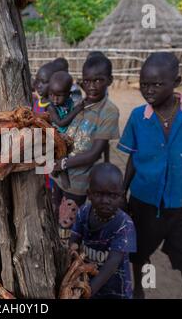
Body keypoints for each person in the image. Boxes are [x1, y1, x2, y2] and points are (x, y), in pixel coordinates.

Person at [117, 52, 182, 299]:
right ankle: (139, 289)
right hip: (144, 200)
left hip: (181, 203)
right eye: (144, 84)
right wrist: (122, 193)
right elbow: (133, 158)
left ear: (176, 81)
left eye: (158, 84)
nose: (149, 90)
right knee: (138, 252)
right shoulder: (139, 116)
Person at [51, 55, 120, 241]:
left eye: (98, 80)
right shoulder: (77, 104)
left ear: (109, 81)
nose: (92, 86)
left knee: (67, 224)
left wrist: (62, 163)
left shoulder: (108, 111)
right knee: (55, 211)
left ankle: (68, 261)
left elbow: (93, 153)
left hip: (78, 182)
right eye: (87, 81)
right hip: (58, 173)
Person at [66, 163, 136, 299]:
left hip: (115, 289)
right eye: (98, 194)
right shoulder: (84, 212)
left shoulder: (124, 225)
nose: (105, 201)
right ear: (89, 194)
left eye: (112, 196)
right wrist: (71, 251)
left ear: (121, 196)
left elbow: (112, 264)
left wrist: (87, 292)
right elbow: (74, 240)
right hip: (86, 279)